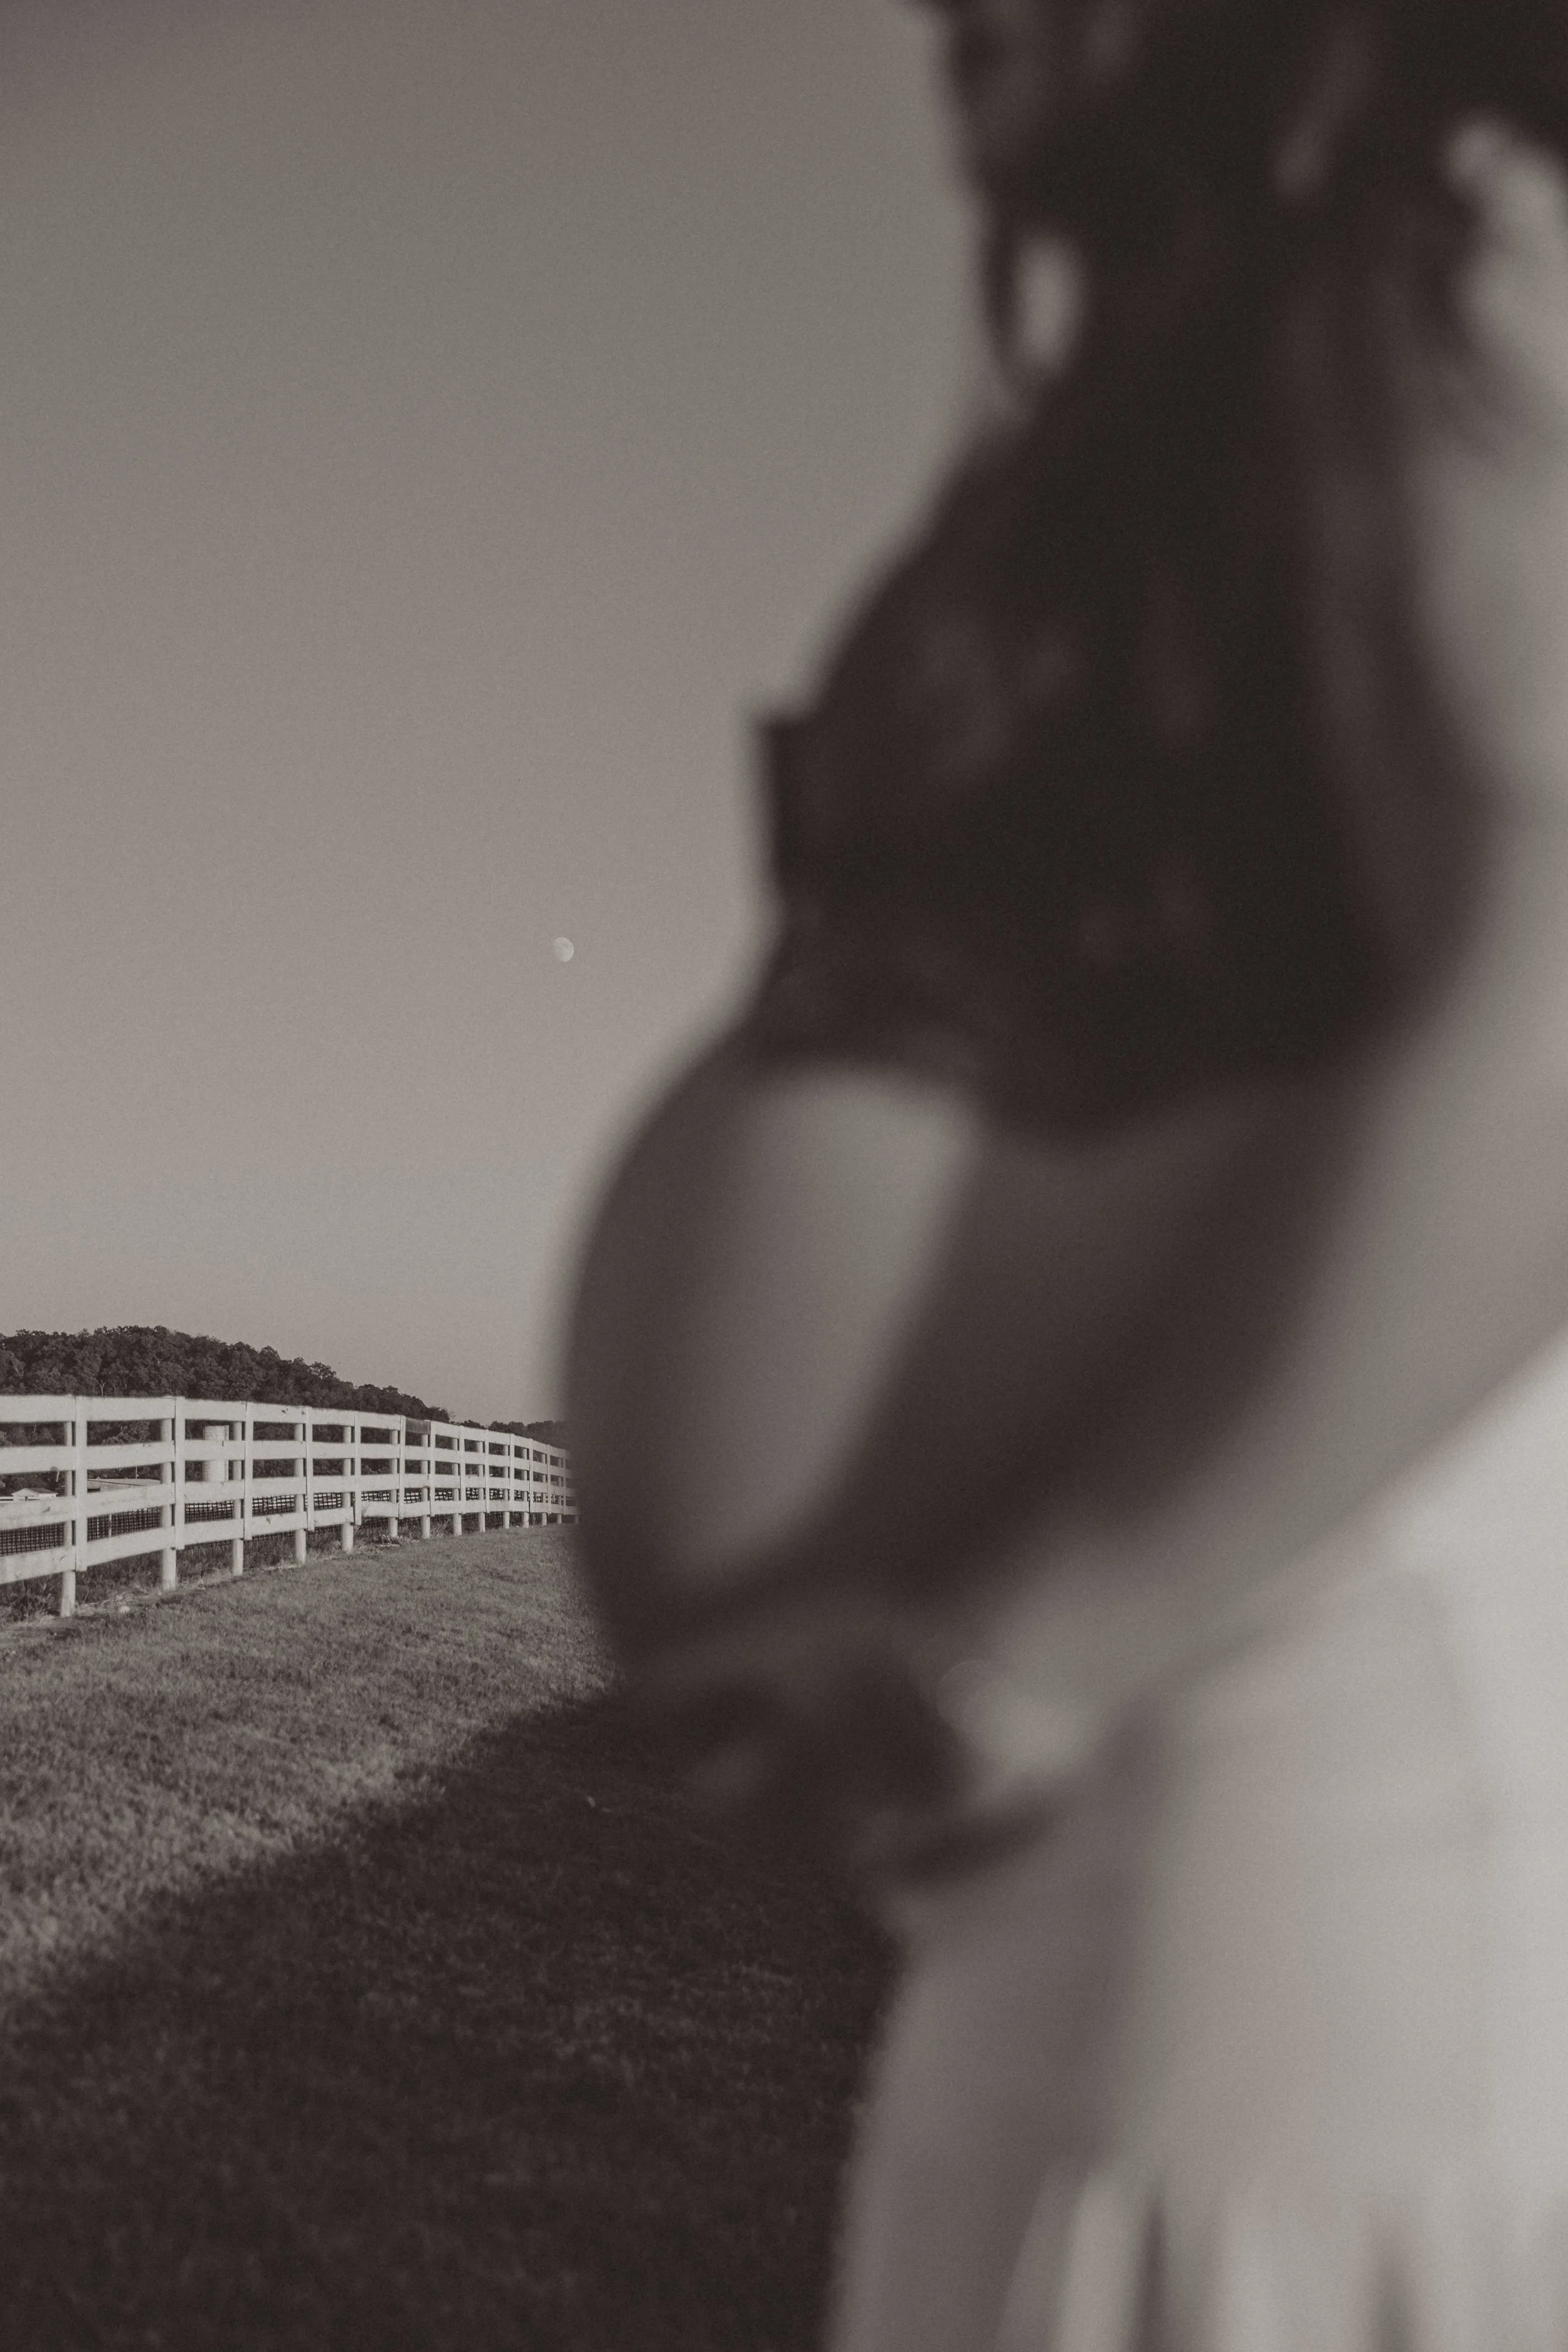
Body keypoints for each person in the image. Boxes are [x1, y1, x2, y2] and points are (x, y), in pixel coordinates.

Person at [566, 1, 1568, 2342]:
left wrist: (1029, 1657)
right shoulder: (1201, 359)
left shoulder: (1418, 263)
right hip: (1141, 1811)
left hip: (1276, 1716)